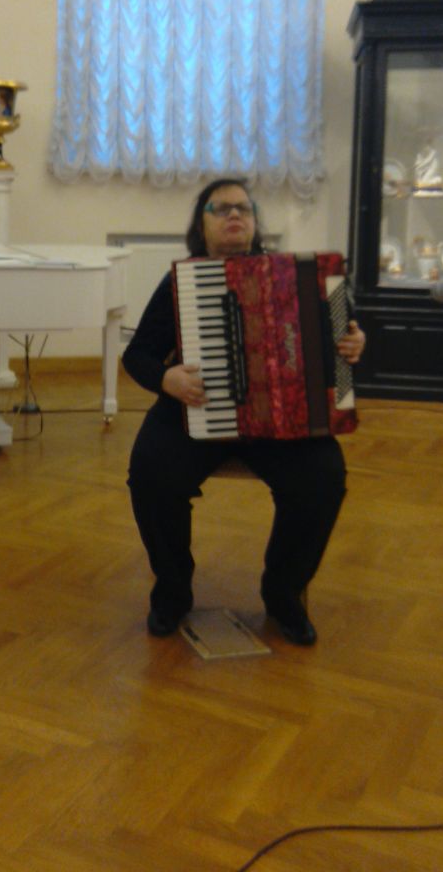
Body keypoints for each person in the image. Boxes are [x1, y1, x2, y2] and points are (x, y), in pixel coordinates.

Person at [122, 178, 365, 646]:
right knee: (151, 475)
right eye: (221, 208)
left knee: (323, 478)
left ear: (254, 222)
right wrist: (167, 379)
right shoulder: (181, 281)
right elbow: (138, 355)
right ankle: (173, 590)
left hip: (284, 422)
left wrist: (357, 342)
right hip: (195, 413)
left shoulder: (299, 276)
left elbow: (346, 333)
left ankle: (283, 592)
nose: (234, 215)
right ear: (202, 225)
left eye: (244, 208)